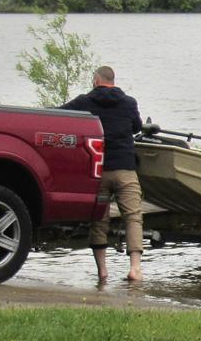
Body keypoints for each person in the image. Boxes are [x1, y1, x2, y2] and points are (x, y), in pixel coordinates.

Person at [62, 66, 144, 282]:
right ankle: (135, 269)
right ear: (112, 80)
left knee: (99, 219)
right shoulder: (129, 102)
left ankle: (103, 271)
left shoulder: (84, 101)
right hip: (125, 169)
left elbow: (59, 114)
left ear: (96, 81)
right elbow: (137, 127)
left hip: (98, 172)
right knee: (133, 217)